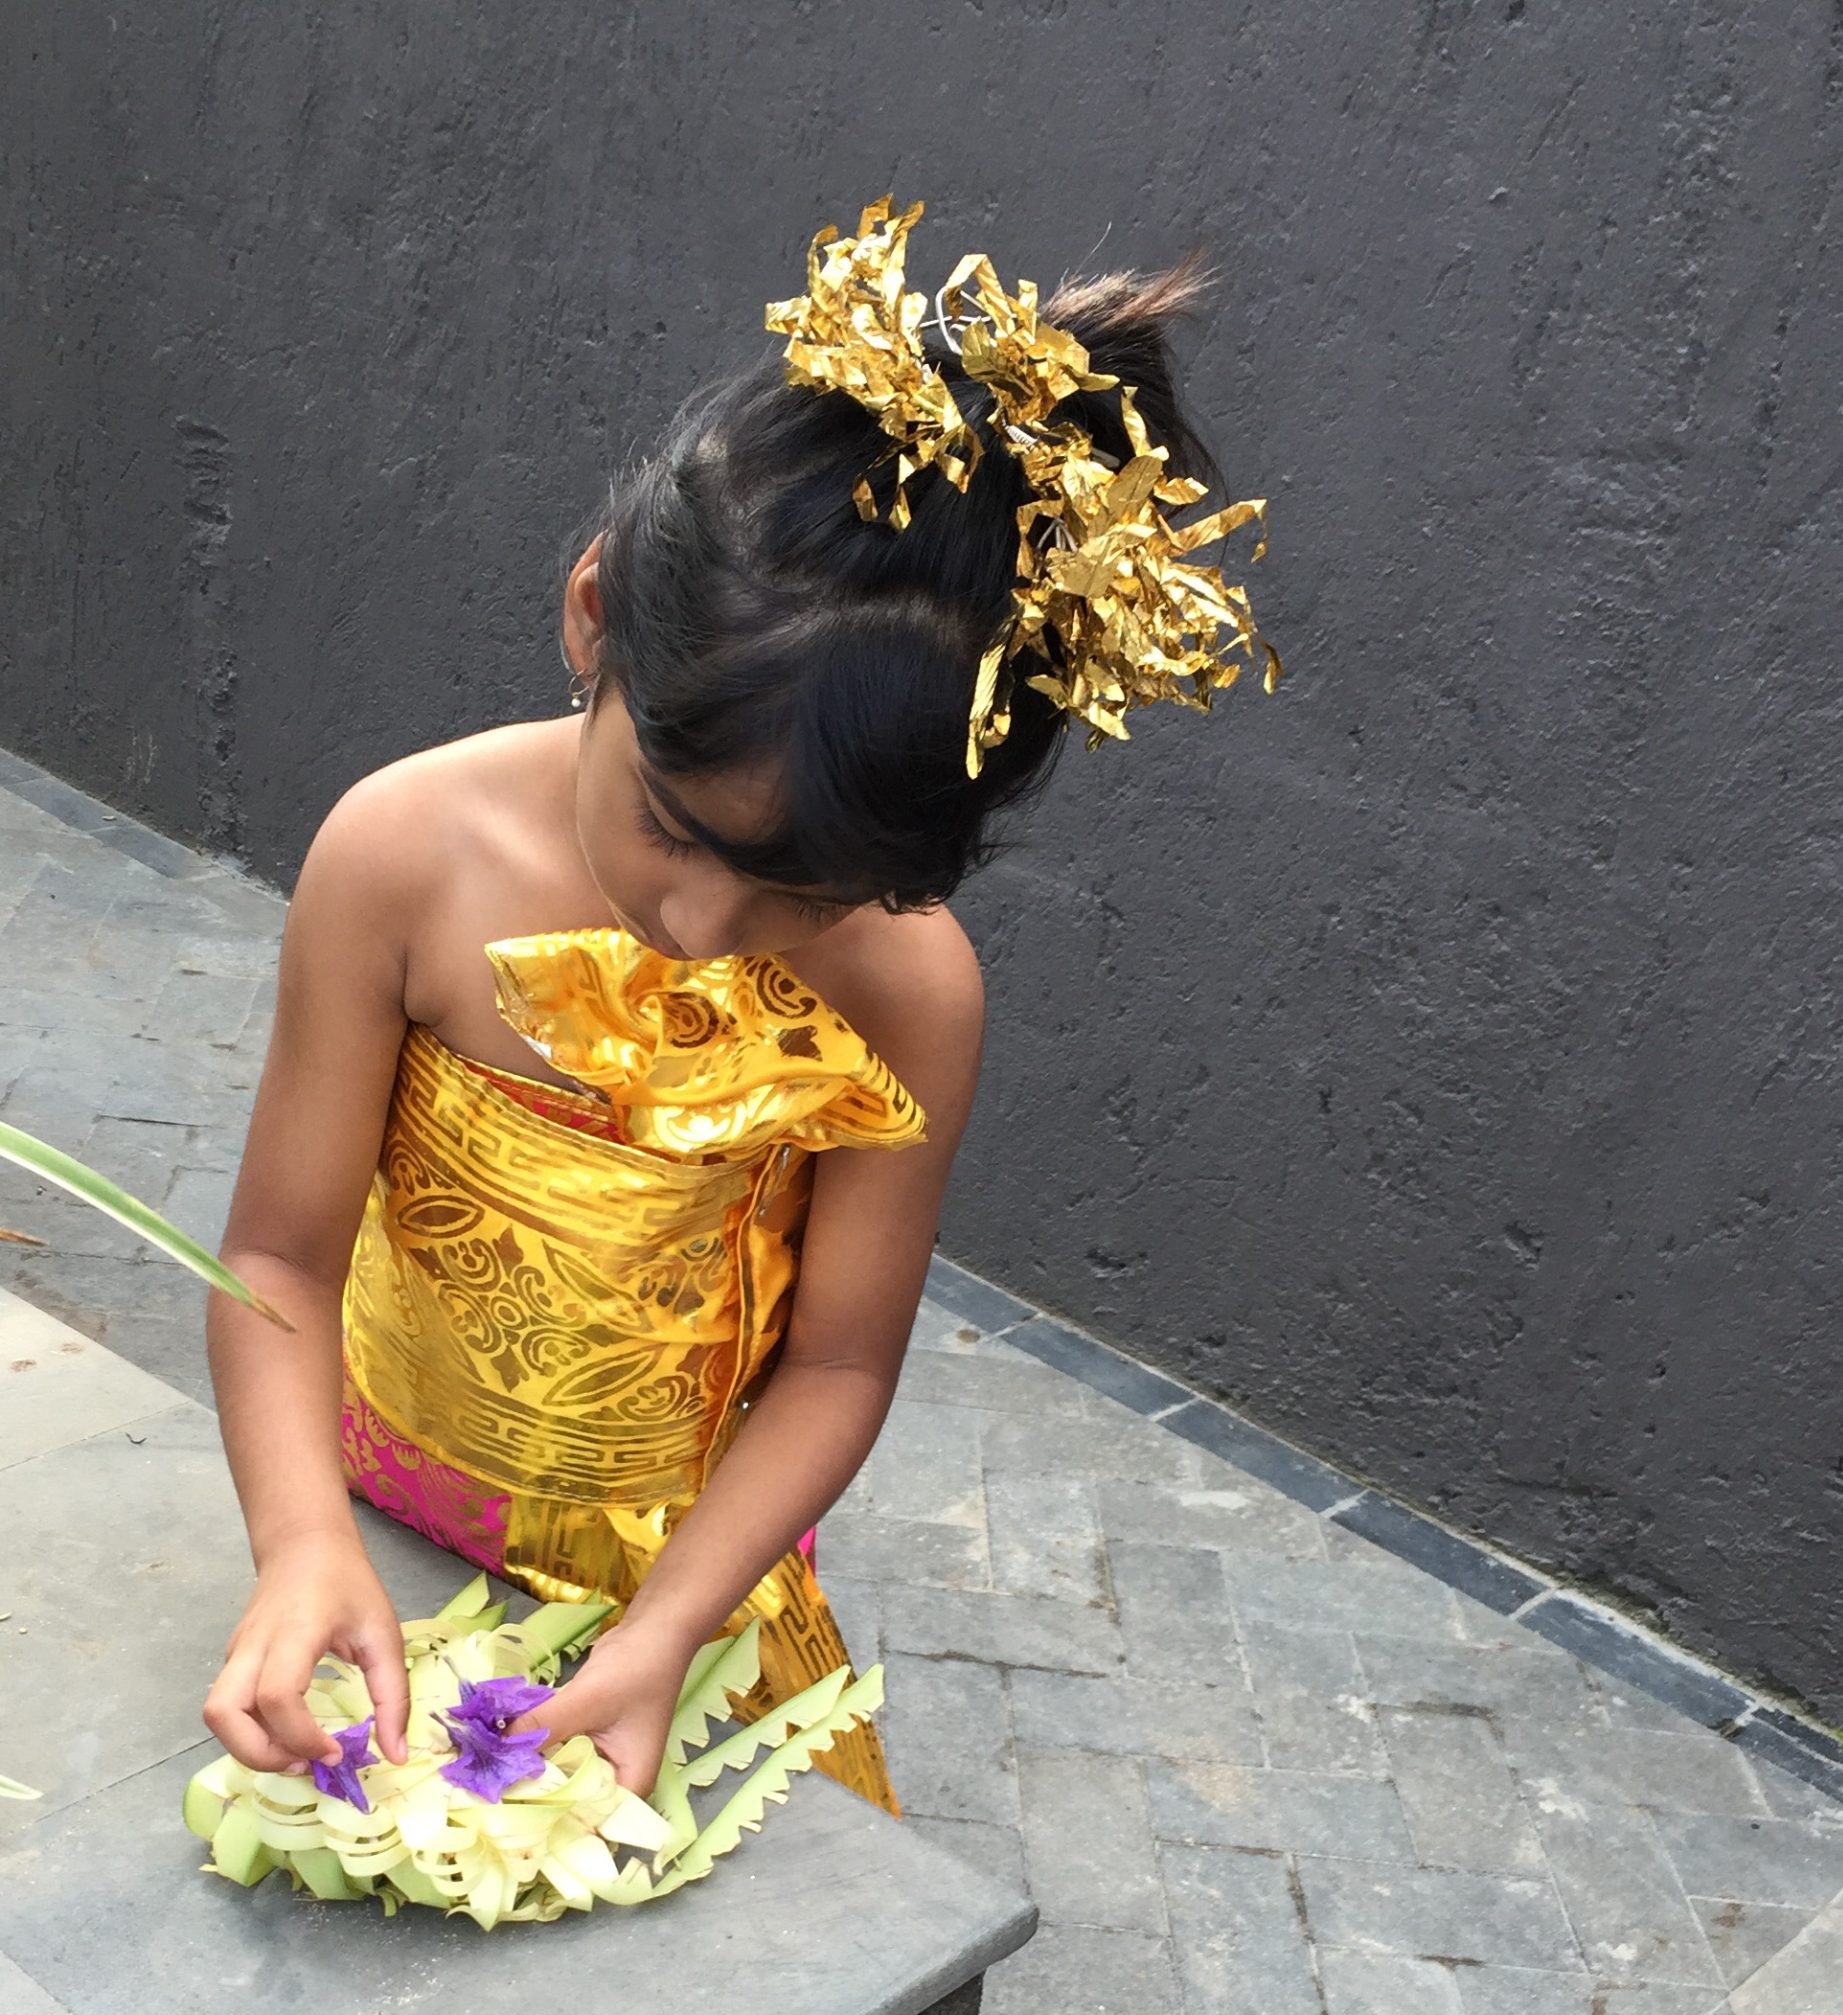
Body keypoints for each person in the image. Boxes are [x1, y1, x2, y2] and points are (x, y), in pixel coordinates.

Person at [201, 199, 1274, 1811]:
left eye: (812, 891)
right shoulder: (402, 858)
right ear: (591, 619)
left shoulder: (911, 997)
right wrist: (296, 1545)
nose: (703, 929)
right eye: (678, 828)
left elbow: (837, 1367)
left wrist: (673, 1625)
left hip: (684, 1600)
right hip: (364, 1521)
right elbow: (280, 1254)